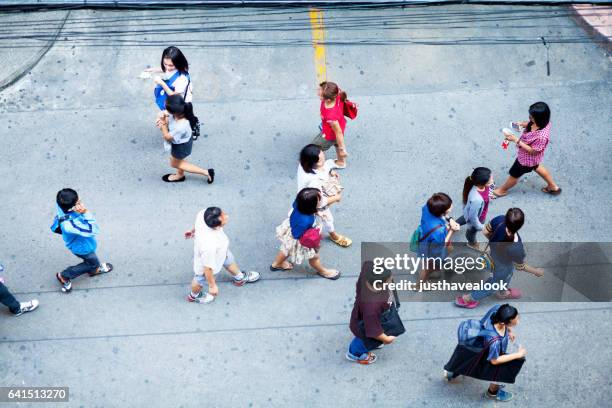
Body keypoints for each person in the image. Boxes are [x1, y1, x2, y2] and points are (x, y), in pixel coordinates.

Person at [455, 208, 544, 308]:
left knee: (504, 276)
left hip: (491, 255)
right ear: (520, 226)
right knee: (494, 284)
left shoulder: (500, 219)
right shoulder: (517, 247)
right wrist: (536, 272)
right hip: (503, 266)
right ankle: (468, 298)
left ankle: (503, 292)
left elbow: (485, 231)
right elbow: (520, 266)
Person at [444, 304, 526, 402]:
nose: (518, 320)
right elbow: (495, 361)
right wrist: (518, 355)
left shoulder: (497, 310)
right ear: (503, 323)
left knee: (466, 360)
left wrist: (509, 331)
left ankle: (451, 373)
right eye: (515, 320)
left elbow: (500, 322)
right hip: (490, 354)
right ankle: (492, 393)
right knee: (499, 372)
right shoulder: (495, 340)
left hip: (479, 345)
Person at [185, 207, 260, 303]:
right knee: (199, 279)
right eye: (224, 219)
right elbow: (207, 268)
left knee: (228, 260)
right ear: (216, 227)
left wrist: (192, 231)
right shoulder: (209, 245)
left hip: (221, 251)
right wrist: (212, 286)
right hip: (210, 258)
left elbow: (197, 224)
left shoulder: (204, 214)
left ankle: (240, 278)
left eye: (223, 213)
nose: (227, 216)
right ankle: (194, 296)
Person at [493, 102, 561, 198]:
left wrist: (516, 140)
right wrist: (522, 124)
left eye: (532, 117)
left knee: (514, 174)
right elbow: (531, 124)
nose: (529, 118)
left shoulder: (542, 137)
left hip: (526, 160)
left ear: (540, 118)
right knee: (536, 166)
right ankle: (553, 186)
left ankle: (502, 191)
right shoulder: (544, 122)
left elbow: (533, 151)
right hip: (533, 160)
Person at [270, 188, 340, 279]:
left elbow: (307, 210)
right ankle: (324, 272)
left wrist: (317, 212)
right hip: (301, 238)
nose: (322, 198)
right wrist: (314, 245)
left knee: (286, 248)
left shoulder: (299, 203)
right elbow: (297, 235)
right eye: (320, 199)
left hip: (292, 229)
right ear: (311, 205)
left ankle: (277, 264)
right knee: (314, 257)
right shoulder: (305, 221)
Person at [52, 189, 113, 293]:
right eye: (78, 200)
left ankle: (93, 270)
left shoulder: (61, 205)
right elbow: (93, 230)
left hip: (79, 242)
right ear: (72, 206)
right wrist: (85, 212)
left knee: (92, 261)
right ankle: (64, 276)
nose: (80, 200)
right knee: (92, 262)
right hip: (82, 247)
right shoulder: (70, 225)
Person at [297, 144, 351, 247]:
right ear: (313, 163)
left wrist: (330, 171)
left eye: (323, 156)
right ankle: (333, 235)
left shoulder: (303, 164)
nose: (324, 161)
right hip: (312, 202)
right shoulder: (314, 182)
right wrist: (336, 198)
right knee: (327, 218)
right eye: (321, 161)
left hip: (304, 197)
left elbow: (323, 168)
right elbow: (320, 202)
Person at [347, 262, 398, 364]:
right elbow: (374, 331)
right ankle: (355, 353)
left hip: (374, 317)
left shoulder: (368, 271)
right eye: (389, 279)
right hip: (365, 326)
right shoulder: (371, 307)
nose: (392, 278)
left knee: (373, 335)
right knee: (363, 339)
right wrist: (387, 339)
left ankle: (374, 342)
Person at [156, 94, 214, 183]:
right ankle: (180, 175)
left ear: (174, 112)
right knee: (180, 160)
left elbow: (167, 137)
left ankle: (206, 172)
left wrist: (163, 123)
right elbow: (168, 117)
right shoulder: (181, 110)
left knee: (174, 163)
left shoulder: (180, 126)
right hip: (184, 141)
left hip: (181, 146)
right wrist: (163, 118)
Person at [146, 46, 200, 138]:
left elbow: (175, 95)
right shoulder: (172, 67)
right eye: (165, 64)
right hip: (174, 102)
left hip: (182, 102)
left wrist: (161, 83)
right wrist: (154, 70)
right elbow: (165, 69)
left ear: (178, 63)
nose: (168, 67)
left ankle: (192, 129)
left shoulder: (182, 78)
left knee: (184, 118)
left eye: (171, 65)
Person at [417, 193, 460, 284]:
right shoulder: (439, 231)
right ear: (442, 211)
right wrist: (452, 230)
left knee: (449, 249)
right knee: (427, 268)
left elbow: (442, 216)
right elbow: (443, 243)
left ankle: (436, 269)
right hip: (433, 249)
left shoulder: (428, 207)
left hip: (426, 237)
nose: (451, 206)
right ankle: (419, 285)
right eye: (449, 206)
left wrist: (450, 219)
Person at [311, 82, 349, 168]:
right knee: (337, 143)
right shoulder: (336, 93)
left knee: (314, 148)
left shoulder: (330, 115)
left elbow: (338, 132)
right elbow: (339, 133)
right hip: (340, 125)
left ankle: (317, 167)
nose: (317, 93)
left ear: (328, 100)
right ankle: (341, 162)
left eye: (320, 95)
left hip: (330, 134)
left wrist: (342, 149)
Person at [456, 167, 493, 251]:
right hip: (479, 217)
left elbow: (470, 214)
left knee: (466, 216)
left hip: (472, 211)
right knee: (471, 232)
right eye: (490, 178)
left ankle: (453, 224)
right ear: (484, 183)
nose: (492, 179)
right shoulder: (477, 200)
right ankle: (472, 243)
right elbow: (473, 217)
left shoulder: (479, 182)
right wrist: (480, 226)